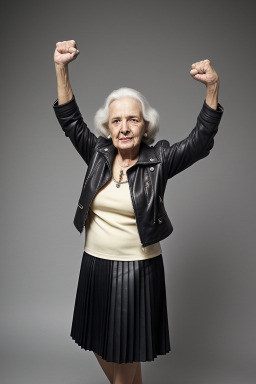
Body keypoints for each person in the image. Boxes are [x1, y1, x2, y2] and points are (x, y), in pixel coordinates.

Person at [52, 40, 224, 384]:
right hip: (95, 264)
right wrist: (61, 68)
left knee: (123, 354)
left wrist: (212, 89)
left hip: (138, 269)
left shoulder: (159, 160)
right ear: (108, 128)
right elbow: (71, 120)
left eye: (133, 119)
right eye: (117, 120)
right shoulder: (98, 154)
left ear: (145, 126)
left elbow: (200, 142)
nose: (125, 127)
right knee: (100, 345)